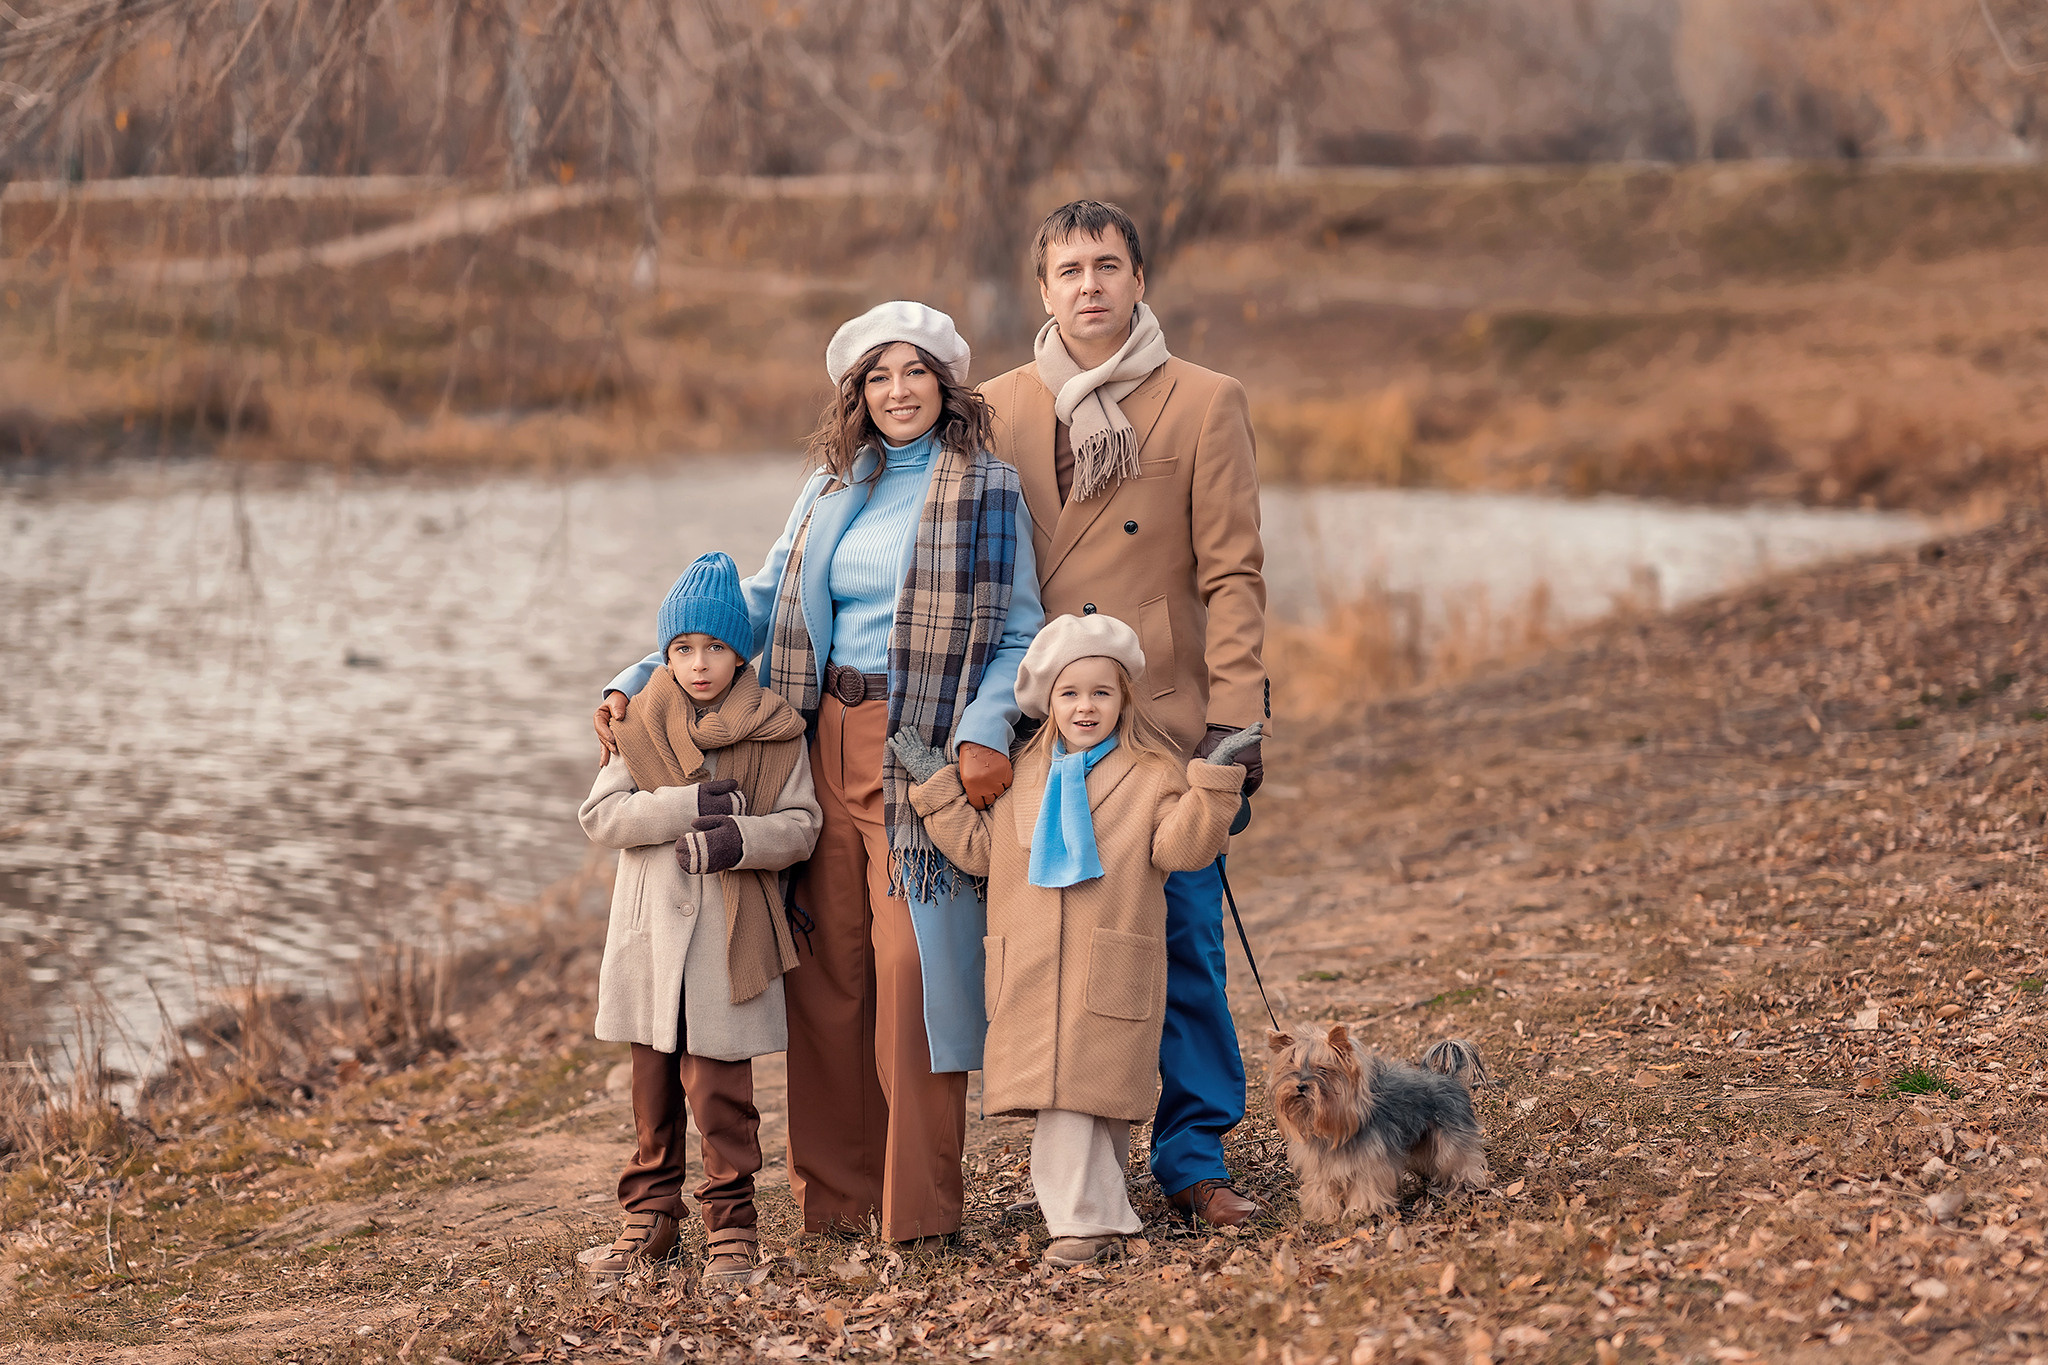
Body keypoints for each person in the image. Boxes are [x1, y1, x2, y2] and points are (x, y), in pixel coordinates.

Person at [593, 302, 1043, 1244]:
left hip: (921, 747)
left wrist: (990, 727)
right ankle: (836, 1206)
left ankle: (918, 1211)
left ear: (945, 384)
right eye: (877, 378)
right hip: (811, 737)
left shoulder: (988, 488)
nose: (897, 391)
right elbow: (756, 603)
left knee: (914, 968)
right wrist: (637, 677)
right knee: (826, 972)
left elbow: (1017, 635)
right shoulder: (833, 484)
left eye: (913, 372)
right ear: (858, 395)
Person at [977, 201, 1270, 1226]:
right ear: (1043, 290)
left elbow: (1232, 573)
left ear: (1139, 279)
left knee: (1181, 939)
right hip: (1036, 726)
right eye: (1068, 270)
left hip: (1160, 724)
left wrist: (1237, 720)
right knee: (1055, 947)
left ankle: (1192, 1156)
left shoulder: (1202, 401)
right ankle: (1077, 1160)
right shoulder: (994, 408)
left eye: (1107, 265)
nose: (1088, 284)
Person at [889, 614, 1260, 1265]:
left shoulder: (1150, 774)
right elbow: (982, 851)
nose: (1085, 706)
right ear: (1047, 702)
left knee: (1099, 1101)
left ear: (1124, 700)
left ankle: (1101, 1218)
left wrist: (1213, 781)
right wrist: (936, 787)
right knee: (1062, 1108)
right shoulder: (1024, 779)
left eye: (1101, 693)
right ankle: (1083, 1223)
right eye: (1070, 693)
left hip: (1107, 961)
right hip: (1032, 967)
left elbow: (1183, 845)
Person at [576, 553, 822, 1282]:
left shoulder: (775, 731)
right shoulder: (641, 719)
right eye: (682, 648)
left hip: (726, 941)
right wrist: (687, 806)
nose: (698, 663)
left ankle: (732, 1227)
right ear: (666, 653)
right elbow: (600, 815)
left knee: (721, 1093)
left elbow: (803, 825)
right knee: (651, 1091)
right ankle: (650, 1216)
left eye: (715, 647)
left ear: (740, 650)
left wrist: (740, 838)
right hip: (652, 939)